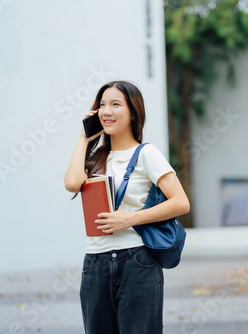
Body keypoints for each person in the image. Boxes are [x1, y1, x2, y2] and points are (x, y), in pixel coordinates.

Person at [64, 80, 190, 333]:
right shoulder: (95, 158)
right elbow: (72, 183)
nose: (106, 111)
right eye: (102, 105)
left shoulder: (146, 153)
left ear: (133, 112)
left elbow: (181, 203)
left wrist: (129, 219)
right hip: (95, 263)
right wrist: (83, 138)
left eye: (115, 104)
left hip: (137, 260)